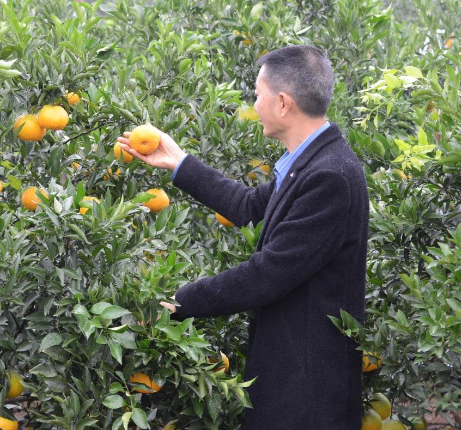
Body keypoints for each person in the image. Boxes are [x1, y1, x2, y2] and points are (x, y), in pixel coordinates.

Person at [120, 45, 369, 429]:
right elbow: (250, 205)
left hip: (306, 391)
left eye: (257, 94)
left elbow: (266, 275)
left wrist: (175, 303)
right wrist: (179, 162)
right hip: (292, 376)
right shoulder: (311, 163)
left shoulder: (328, 176)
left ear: (283, 103)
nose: (254, 105)